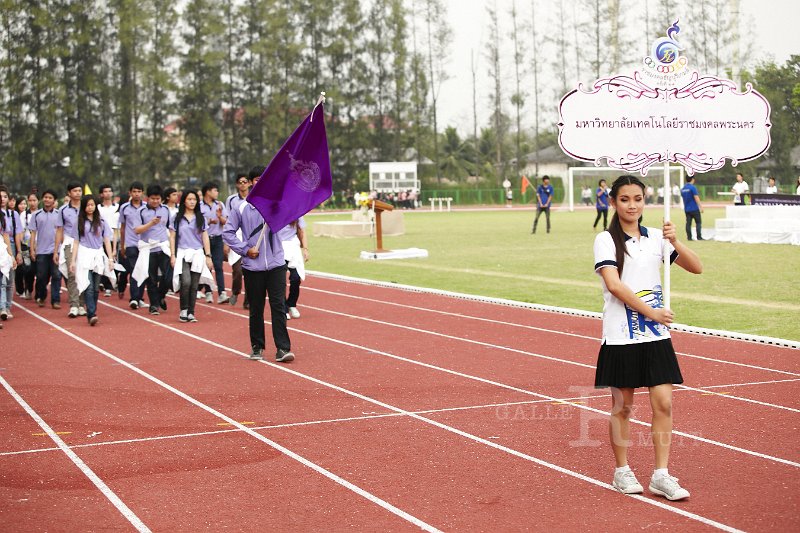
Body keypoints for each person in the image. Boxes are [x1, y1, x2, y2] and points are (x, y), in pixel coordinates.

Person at [593, 175, 702, 502]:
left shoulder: (656, 237)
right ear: (613, 202)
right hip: (622, 336)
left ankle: (661, 474)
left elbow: (696, 267)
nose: (632, 205)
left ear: (645, 200)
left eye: (638, 198)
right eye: (624, 199)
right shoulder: (606, 240)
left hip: (656, 338)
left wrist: (676, 241)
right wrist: (652, 312)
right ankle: (622, 470)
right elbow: (614, 285)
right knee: (623, 406)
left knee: (664, 403)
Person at [222, 166, 294, 363]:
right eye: (256, 179)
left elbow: (290, 215)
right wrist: (245, 249)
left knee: (278, 306)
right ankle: (257, 346)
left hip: (276, 264)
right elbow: (227, 233)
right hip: (253, 267)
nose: (259, 182)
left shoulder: (277, 205)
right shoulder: (241, 208)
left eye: (263, 179)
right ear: (252, 182)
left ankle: (282, 348)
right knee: (256, 307)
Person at [169, 190, 213, 323]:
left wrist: (208, 255)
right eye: (189, 199)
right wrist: (172, 255)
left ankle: (191, 312)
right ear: (184, 201)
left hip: (197, 253)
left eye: (194, 199)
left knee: (194, 285)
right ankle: (183, 309)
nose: (192, 202)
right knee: (186, 281)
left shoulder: (201, 218)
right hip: (182, 252)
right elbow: (172, 236)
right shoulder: (176, 218)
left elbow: (205, 237)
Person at [69, 195, 115, 326]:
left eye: (92, 205)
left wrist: (110, 259)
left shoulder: (101, 221)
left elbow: (107, 240)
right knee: (88, 286)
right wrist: (73, 261)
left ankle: (92, 311)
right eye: (88, 205)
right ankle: (92, 313)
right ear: (84, 207)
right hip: (84, 254)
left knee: (95, 288)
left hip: (98, 255)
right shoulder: (79, 222)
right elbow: (76, 242)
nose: (90, 208)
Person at [133, 184, 171, 315]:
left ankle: (161, 296)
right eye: (153, 198)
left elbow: (170, 228)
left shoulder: (165, 209)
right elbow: (137, 230)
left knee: (168, 277)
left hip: (163, 247)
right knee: (152, 278)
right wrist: (150, 223)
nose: (155, 201)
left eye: (158, 198)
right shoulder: (141, 211)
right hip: (148, 249)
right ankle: (154, 305)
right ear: (147, 198)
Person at [54, 182, 85, 318]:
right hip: (69, 243)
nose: (78, 193)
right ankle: (74, 305)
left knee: (83, 273)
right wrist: (56, 250)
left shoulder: (87, 207)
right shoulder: (63, 210)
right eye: (75, 191)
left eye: (79, 190)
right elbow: (59, 230)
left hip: (85, 244)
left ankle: (82, 304)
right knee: (71, 273)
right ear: (69, 193)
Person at [29, 190, 62, 309]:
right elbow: (33, 233)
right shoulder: (36, 215)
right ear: (43, 199)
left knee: (56, 275)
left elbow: (61, 231)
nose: (47, 199)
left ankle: (55, 300)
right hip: (41, 251)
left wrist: (59, 248)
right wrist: (32, 249)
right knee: (41, 276)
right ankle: (41, 297)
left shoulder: (59, 214)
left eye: (50, 197)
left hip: (55, 251)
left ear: (54, 200)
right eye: (46, 197)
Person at [225, 172, 253, 308]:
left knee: (249, 270)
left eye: (245, 182)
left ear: (249, 183)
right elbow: (228, 222)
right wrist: (227, 242)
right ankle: (235, 292)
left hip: (250, 237)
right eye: (240, 182)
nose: (243, 184)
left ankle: (248, 300)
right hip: (236, 236)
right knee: (238, 271)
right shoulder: (231, 200)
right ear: (236, 184)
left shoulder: (254, 197)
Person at [117, 182, 146, 308]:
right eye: (134, 191)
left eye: (139, 191)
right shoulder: (124, 208)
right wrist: (122, 245)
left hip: (144, 244)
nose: (137, 194)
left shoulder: (147, 207)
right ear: (130, 193)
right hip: (131, 243)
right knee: (135, 269)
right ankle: (134, 298)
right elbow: (122, 228)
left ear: (142, 193)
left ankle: (139, 297)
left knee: (143, 270)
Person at [199, 181, 229, 304]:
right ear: (208, 191)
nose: (217, 193)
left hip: (217, 238)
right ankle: (208, 292)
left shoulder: (220, 205)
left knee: (218, 265)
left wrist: (220, 217)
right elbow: (197, 222)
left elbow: (226, 222)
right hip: (205, 239)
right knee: (207, 266)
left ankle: (222, 292)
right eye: (215, 190)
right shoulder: (199, 206)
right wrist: (208, 221)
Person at [278, 217, 309, 320]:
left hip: (293, 247)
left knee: (296, 278)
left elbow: (302, 231)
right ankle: (283, 309)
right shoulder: (276, 211)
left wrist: (305, 249)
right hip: (279, 247)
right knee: (280, 280)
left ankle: (291, 304)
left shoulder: (297, 212)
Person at [0, 185, 22, 319]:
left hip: (7, 247)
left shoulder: (11, 215)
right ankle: (2, 307)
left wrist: (14, 253)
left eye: (4, 196)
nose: (2, 199)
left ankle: (6, 306)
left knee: (8, 279)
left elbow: (10, 235)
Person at [96, 184, 119, 297]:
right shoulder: (98, 208)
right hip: (100, 240)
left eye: (110, 191)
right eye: (105, 191)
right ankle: (105, 284)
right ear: (101, 194)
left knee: (113, 262)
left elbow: (116, 228)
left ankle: (112, 283)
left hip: (113, 239)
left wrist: (115, 247)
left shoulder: (117, 207)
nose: (108, 193)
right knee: (102, 261)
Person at [15, 196, 36, 300]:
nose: (32, 203)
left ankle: (38, 290)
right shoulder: (24, 215)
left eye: (34, 200)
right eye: (30, 201)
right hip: (26, 245)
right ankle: (28, 289)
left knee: (40, 270)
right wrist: (20, 244)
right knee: (28, 268)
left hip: (40, 245)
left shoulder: (40, 213)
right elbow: (20, 230)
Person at [0, 203, 18, 323]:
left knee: (2, 280)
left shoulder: (2, 216)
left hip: (1, 248)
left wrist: (11, 256)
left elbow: (6, 235)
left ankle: (3, 308)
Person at [680, 176, 704, 241]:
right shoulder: (692, 188)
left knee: (688, 223)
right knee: (698, 223)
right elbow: (696, 197)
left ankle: (689, 237)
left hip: (687, 209)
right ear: (692, 179)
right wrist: (701, 206)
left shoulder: (683, 189)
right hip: (694, 208)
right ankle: (699, 237)